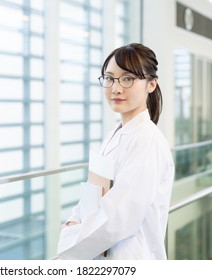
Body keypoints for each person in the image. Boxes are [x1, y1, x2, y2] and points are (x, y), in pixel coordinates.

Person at [56, 43, 175, 260]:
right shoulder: (114, 135)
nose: (116, 88)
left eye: (128, 78)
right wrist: (74, 221)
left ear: (151, 84)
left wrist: (70, 240)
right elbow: (93, 194)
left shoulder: (147, 141)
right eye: (109, 78)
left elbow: (120, 217)